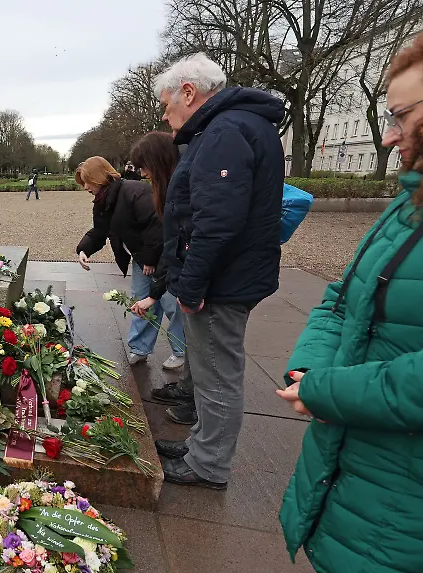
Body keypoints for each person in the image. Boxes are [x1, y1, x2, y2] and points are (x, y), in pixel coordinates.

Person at [276, 14, 423, 573]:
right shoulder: (414, 203)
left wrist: (331, 391)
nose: (387, 134)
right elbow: (342, 296)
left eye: (401, 115)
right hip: (360, 479)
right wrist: (306, 373)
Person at [146, 53, 285, 490]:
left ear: (189, 93)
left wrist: (191, 286)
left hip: (222, 282)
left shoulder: (224, 131)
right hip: (232, 275)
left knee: (215, 374)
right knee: (209, 372)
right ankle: (199, 444)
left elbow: (215, 220)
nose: (168, 119)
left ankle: (208, 464)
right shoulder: (236, 126)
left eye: (167, 107)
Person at [75, 156, 185, 369]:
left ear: (98, 177)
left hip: (160, 258)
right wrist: (84, 248)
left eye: (87, 182)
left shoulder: (134, 191)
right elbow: (100, 230)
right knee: (140, 302)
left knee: (171, 305)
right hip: (142, 258)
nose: (85, 187)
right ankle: (140, 348)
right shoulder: (103, 200)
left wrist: (151, 258)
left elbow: (157, 226)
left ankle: (182, 350)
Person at [129, 131, 196, 424]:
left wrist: (154, 294)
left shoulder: (182, 187)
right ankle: (189, 390)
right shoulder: (170, 187)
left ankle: (202, 435)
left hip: (202, 276)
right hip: (183, 269)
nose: (142, 173)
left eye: (145, 166)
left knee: (210, 354)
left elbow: (176, 243)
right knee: (198, 341)